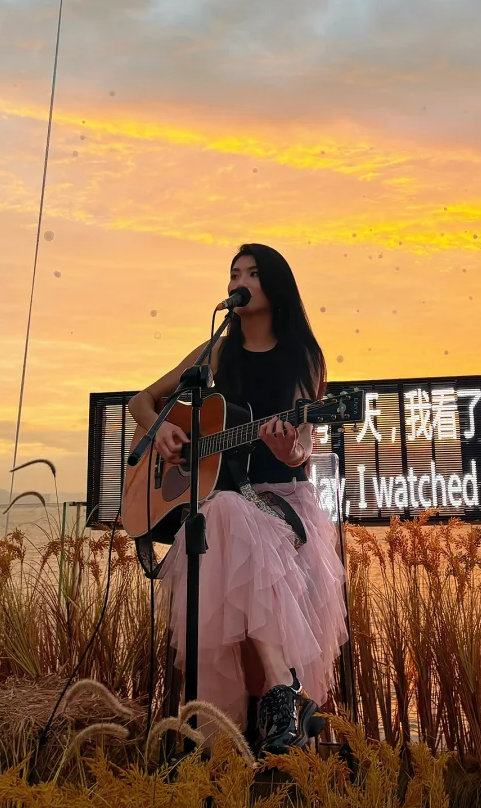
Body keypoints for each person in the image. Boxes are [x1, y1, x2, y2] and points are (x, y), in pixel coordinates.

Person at [127, 243, 348, 753]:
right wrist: (162, 432)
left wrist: (284, 442)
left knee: (223, 511)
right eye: (232, 274)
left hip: (282, 501)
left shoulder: (304, 358)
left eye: (250, 273)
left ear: (274, 286)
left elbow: (301, 454)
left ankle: (274, 691)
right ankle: (277, 696)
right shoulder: (217, 353)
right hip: (224, 510)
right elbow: (142, 401)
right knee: (222, 510)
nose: (237, 282)